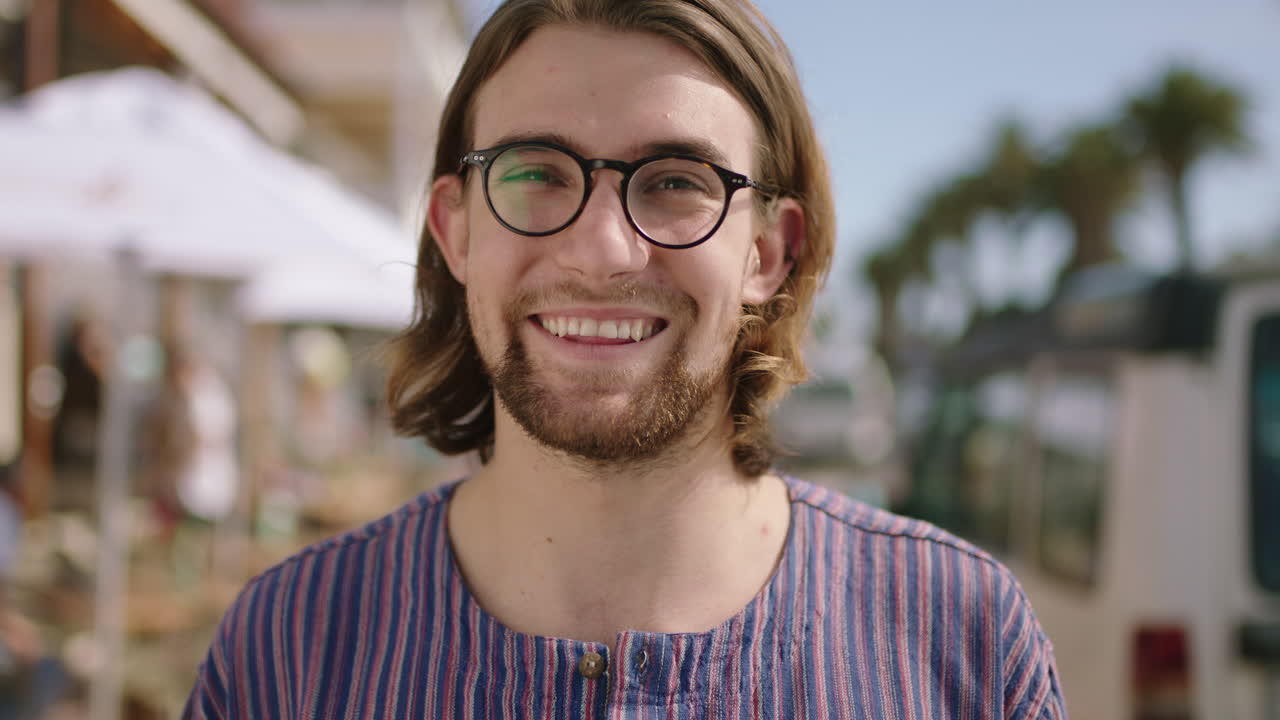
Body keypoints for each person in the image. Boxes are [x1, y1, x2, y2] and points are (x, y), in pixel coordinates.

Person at [185, 0, 1068, 717]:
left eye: (678, 181)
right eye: (536, 174)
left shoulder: (964, 644)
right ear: (455, 231)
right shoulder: (287, 650)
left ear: (769, 252)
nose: (602, 250)